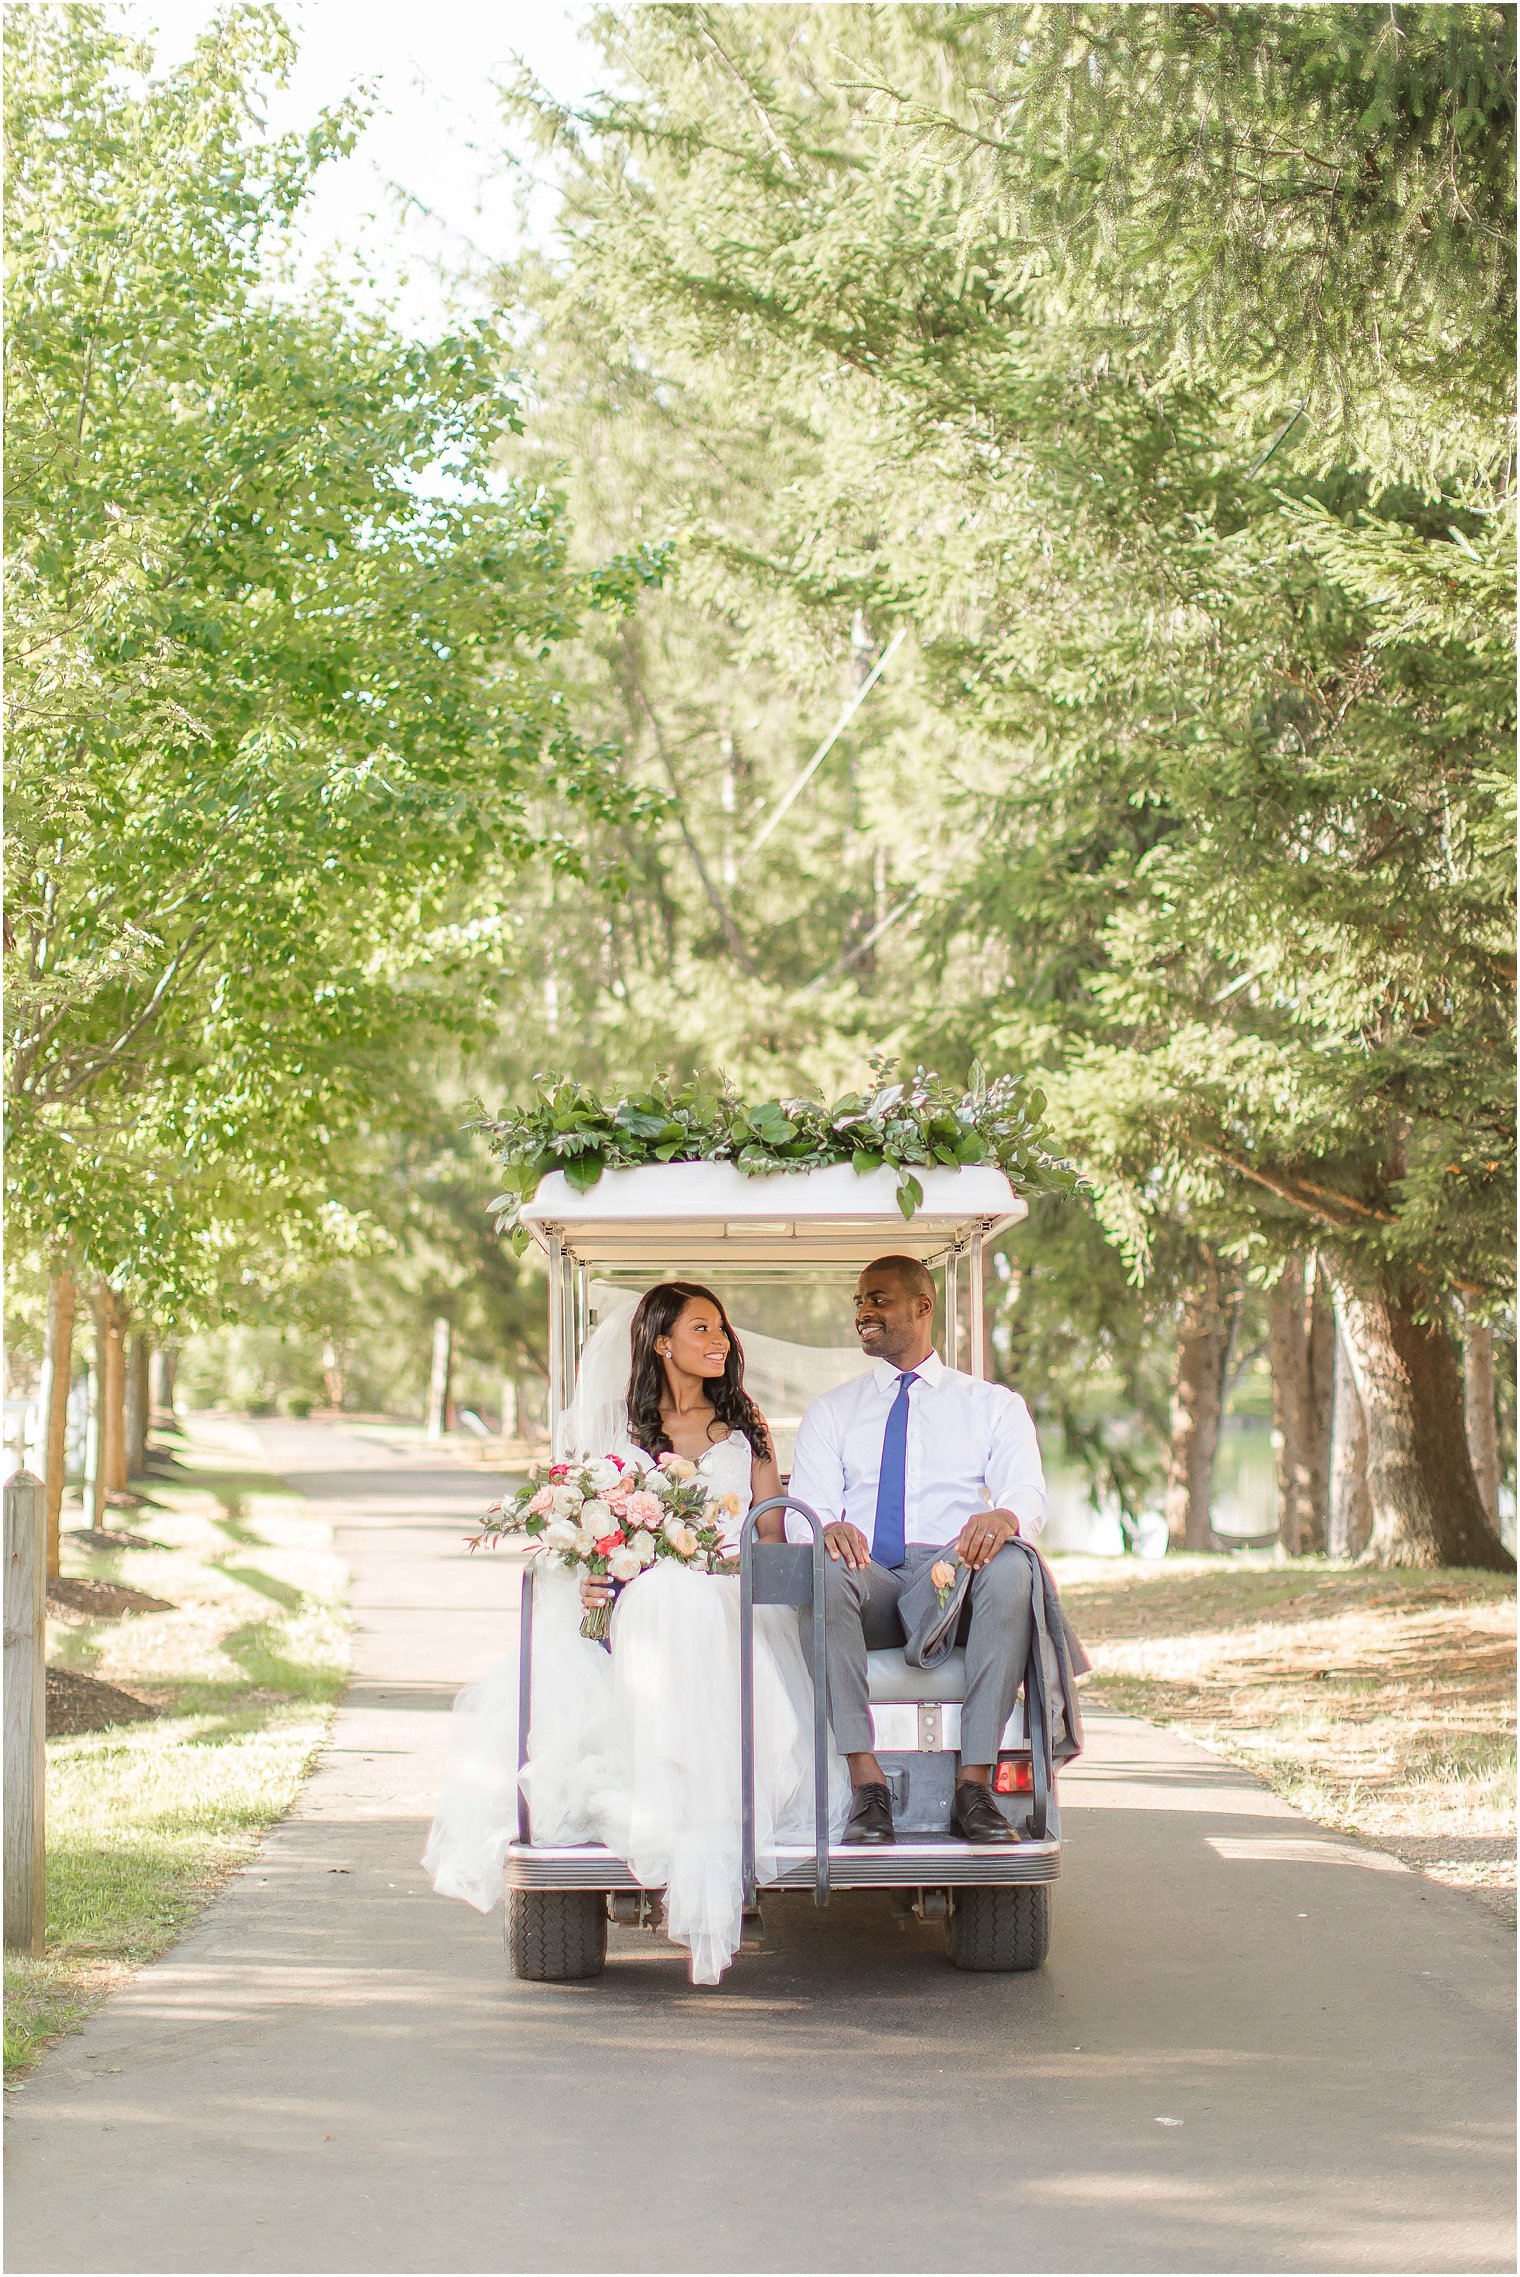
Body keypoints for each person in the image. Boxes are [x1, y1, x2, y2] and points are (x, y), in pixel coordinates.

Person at [424, 1282, 845, 1985]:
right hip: (641, 1601)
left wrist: (724, 1558)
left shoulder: (748, 1430)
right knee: (662, 1598)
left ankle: (692, 1801)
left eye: (722, 1329)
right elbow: (597, 1530)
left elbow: (770, 1533)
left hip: (732, 1593)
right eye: (701, 1327)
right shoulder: (624, 1433)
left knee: (686, 1598)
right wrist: (602, 1570)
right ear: (660, 1342)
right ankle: (671, 1793)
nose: (720, 1340)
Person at [786, 1253, 1048, 1847]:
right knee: (823, 1570)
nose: (863, 1313)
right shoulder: (832, 1410)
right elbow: (806, 1515)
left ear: (922, 1307)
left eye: (878, 1299)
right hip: (871, 1578)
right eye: (859, 1302)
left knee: (1012, 1566)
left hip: (954, 1581)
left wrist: (1003, 1515)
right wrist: (828, 1528)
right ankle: (866, 1783)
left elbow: (1026, 1493)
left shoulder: (992, 1404)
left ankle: (974, 1785)